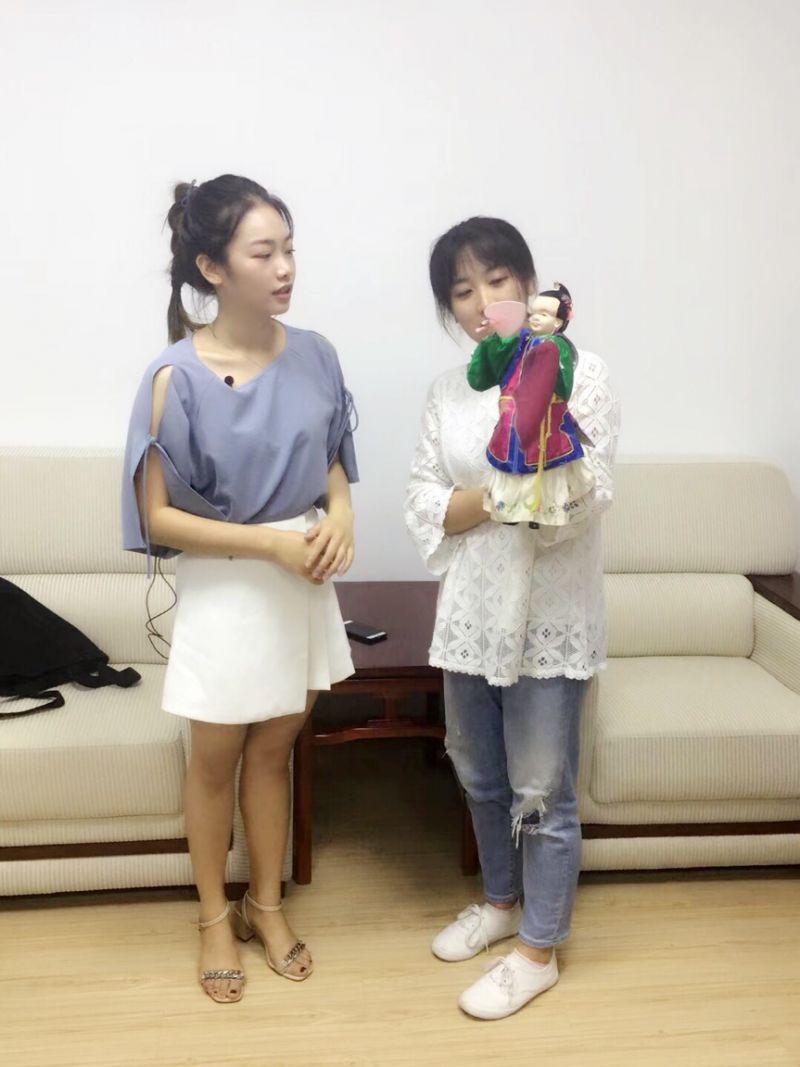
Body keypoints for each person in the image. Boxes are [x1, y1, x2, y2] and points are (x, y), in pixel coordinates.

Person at [122, 174, 358, 1003]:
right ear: (213, 267)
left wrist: (341, 515)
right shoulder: (174, 377)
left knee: (274, 752)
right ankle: (214, 917)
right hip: (228, 587)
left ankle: (266, 904)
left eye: (289, 248)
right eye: (264, 252)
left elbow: (333, 457)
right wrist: (270, 544)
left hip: (301, 580)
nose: (285, 267)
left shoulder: (317, 353)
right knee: (216, 761)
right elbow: (157, 515)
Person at [404, 217, 620, 1020]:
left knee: (543, 787)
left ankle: (539, 948)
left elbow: (584, 497)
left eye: (495, 280)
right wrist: (502, 492)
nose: (481, 301)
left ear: (529, 285)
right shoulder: (447, 390)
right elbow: (423, 496)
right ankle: (500, 903)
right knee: (477, 770)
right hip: (469, 613)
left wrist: (515, 476)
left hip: (548, 613)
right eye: (462, 290)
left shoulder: (579, 371)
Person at [468, 281, 595, 527]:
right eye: (533, 313)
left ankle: (541, 514)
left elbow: (560, 386)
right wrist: (497, 335)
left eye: (544, 314)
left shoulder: (557, 347)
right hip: (512, 418)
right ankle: (510, 512)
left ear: (558, 322)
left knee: (544, 469)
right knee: (512, 463)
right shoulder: (522, 340)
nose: (535, 318)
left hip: (544, 422)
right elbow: (493, 369)